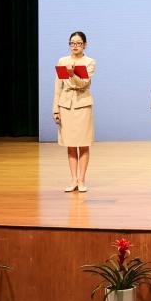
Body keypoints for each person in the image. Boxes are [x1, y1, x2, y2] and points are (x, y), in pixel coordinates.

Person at [52, 31, 96, 192]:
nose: (75, 46)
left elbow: (83, 83)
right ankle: (73, 180)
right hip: (66, 105)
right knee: (70, 145)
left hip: (82, 104)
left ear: (85, 45)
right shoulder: (63, 61)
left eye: (78, 43)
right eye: (72, 43)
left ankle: (82, 180)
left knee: (83, 144)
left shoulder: (89, 62)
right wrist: (55, 108)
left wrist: (72, 74)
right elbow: (58, 86)